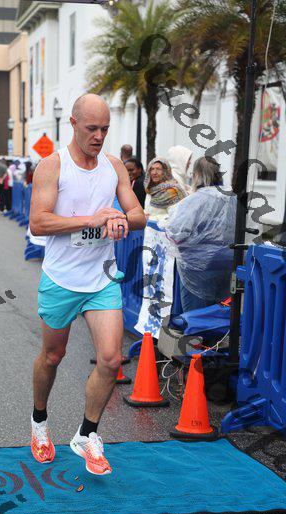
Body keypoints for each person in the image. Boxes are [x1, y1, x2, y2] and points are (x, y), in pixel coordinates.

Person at [29, 93, 146, 476]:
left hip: (101, 279)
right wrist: (92, 219)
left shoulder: (114, 167)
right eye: (92, 128)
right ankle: (39, 422)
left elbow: (138, 214)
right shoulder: (52, 166)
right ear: (73, 124)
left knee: (111, 359)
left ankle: (86, 434)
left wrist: (121, 220)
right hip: (61, 279)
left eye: (105, 129)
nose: (98, 136)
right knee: (53, 356)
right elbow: (39, 223)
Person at [166, 156, 236, 313]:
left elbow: (176, 230)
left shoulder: (195, 200)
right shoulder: (232, 197)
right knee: (219, 313)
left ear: (196, 175)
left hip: (197, 268)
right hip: (226, 263)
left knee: (195, 316)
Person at [144, 157, 186, 224]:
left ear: (165, 171)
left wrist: (151, 218)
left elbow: (176, 217)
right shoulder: (150, 190)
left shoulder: (172, 191)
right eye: (152, 169)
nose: (154, 173)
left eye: (158, 169)